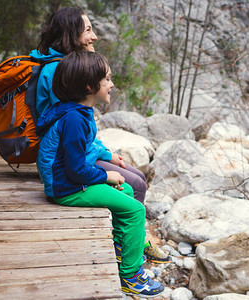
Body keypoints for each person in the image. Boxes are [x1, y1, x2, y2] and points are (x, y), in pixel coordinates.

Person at [30, 6, 170, 263]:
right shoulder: (62, 73)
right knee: (135, 184)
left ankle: (130, 237)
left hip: (74, 157)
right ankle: (130, 245)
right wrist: (104, 170)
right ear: (71, 34)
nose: (94, 37)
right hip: (66, 167)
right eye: (88, 30)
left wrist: (106, 154)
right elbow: (71, 135)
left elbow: (81, 132)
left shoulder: (75, 73)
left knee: (135, 177)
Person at [36, 51, 164, 298]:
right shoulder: (74, 118)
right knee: (135, 210)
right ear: (88, 86)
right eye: (107, 79)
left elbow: (84, 149)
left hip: (68, 182)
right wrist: (105, 176)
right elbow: (75, 169)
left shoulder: (77, 111)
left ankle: (121, 246)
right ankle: (131, 276)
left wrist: (106, 157)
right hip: (65, 188)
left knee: (126, 190)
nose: (112, 84)